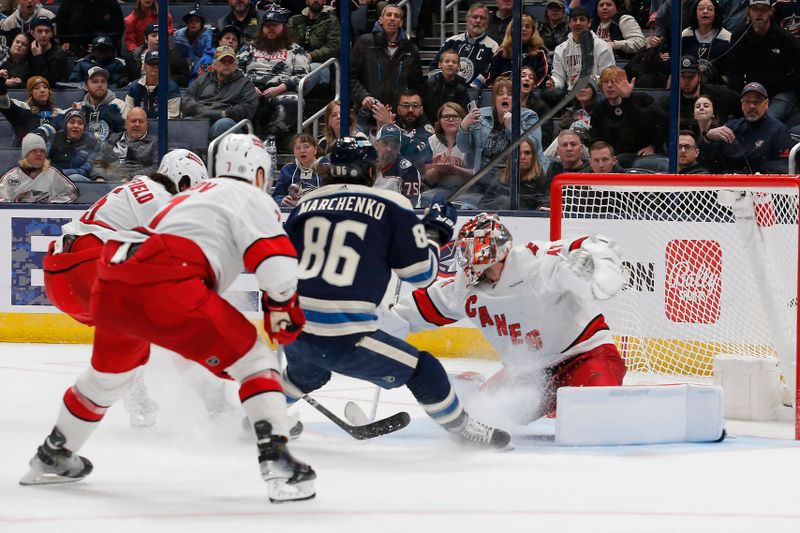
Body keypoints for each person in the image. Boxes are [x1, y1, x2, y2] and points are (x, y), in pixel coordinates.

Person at [20, 132, 317, 502]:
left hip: (114, 280)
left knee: (107, 379)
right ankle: (280, 463)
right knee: (256, 358)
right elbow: (275, 263)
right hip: (165, 277)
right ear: (258, 173)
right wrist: (283, 305)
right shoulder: (251, 198)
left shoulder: (183, 200)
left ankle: (54, 453)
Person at [282, 137, 510, 449]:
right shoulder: (391, 206)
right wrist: (434, 233)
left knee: (307, 374)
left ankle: (255, 415)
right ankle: (465, 429)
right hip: (343, 336)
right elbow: (422, 274)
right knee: (425, 369)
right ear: (370, 170)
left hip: (291, 327)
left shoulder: (303, 207)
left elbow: (278, 266)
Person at [391, 212, 626, 425]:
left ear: (488, 249)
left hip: (584, 355)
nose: (464, 258)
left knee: (592, 422)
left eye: (468, 249)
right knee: (478, 419)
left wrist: (597, 269)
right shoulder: (465, 286)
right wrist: (384, 323)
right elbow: (422, 306)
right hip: (528, 374)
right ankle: (477, 386)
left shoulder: (536, 262)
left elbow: (595, 245)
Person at [40, 149, 208, 426]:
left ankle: (137, 398)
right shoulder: (161, 200)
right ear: (182, 179)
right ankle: (215, 401)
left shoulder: (139, 187)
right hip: (86, 265)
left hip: (60, 278)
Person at [457, 77, 548, 193]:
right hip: (483, 180)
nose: (505, 97)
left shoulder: (529, 116)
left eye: (510, 94)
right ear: (494, 99)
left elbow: (533, 147)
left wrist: (511, 128)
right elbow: (463, 148)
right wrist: (464, 127)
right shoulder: (481, 115)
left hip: (514, 181)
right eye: (500, 94)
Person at [237, 6, 309, 141]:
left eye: (275, 25)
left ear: (283, 27)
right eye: (268, 25)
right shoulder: (249, 47)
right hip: (250, 89)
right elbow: (236, 71)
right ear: (262, 28)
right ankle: (245, 136)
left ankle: (270, 137)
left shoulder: (295, 49)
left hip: (281, 90)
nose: (271, 28)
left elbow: (303, 77)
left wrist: (279, 88)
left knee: (295, 101)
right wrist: (249, 87)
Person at [350, 3, 423, 129]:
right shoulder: (365, 42)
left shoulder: (410, 48)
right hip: (367, 111)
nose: (392, 18)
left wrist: (406, 106)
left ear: (401, 22)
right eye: (389, 15)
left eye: (397, 16)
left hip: (397, 115)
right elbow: (350, 75)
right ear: (381, 20)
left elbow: (416, 84)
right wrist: (363, 96)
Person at [727, 0, 800, 123]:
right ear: (748, 12)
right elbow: (734, 71)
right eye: (755, 9)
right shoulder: (739, 37)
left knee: (766, 121)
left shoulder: (786, 39)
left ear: (770, 12)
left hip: (780, 92)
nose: (759, 14)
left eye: (763, 10)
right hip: (751, 91)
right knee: (737, 118)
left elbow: (796, 72)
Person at [700, 82, 792, 173]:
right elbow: (707, 160)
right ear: (742, 104)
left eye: (757, 101)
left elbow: (782, 167)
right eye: (747, 101)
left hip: (761, 184)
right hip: (727, 183)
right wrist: (708, 138)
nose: (752, 106)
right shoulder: (730, 127)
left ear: (766, 104)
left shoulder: (779, 131)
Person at [590, 65, 667, 166]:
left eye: (614, 82)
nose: (609, 85)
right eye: (606, 82)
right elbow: (596, 139)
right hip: (611, 160)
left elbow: (653, 127)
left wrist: (653, 147)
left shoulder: (642, 100)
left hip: (642, 155)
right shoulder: (598, 109)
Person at [181, 46, 258, 140]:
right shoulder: (202, 80)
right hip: (202, 118)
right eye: (222, 61)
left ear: (235, 65)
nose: (226, 64)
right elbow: (186, 98)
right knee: (187, 123)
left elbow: (247, 108)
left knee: (223, 125)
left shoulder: (245, 83)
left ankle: (210, 153)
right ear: (215, 64)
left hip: (227, 121)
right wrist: (198, 109)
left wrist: (224, 113)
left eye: (230, 61)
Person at [545, 7, 615, 101]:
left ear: (589, 23)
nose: (578, 23)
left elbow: (608, 76)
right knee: (547, 94)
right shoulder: (560, 49)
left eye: (582, 19)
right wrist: (554, 82)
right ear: (569, 24)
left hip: (596, 94)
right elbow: (559, 76)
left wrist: (590, 80)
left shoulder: (603, 46)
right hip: (571, 95)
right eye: (574, 20)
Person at [428, 3, 498, 90]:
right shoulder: (451, 41)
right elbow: (433, 68)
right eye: (474, 17)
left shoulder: (493, 46)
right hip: (445, 92)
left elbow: (492, 73)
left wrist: (469, 90)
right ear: (467, 20)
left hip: (474, 96)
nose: (478, 20)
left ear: (487, 23)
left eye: (482, 18)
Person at [0, 133, 77, 203]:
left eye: (42, 151)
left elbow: (71, 193)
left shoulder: (53, 173)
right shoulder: (11, 175)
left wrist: (54, 204)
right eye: (34, 150)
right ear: (26, 154)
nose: (39, 154)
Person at [90, 107, 158, 183]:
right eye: (133, 121)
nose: (137, 124)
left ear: (146, 125)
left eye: (141, 121)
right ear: (126, 124)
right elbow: (99, 162)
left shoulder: (155, 143)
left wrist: (130, 178)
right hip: (105, 184)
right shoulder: (113, 138)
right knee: (76, 178)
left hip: (133, 185)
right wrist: (99, 177)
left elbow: (156, 168)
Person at [478, 137, 548, 211]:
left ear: (533, 157)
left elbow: (544, 207)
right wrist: (501, 202)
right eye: (518, 153)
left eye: (527, 153)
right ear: (511, 157)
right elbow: (481, 206)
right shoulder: (501, 177)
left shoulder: (541, 180)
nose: (523, 157)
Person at [423, 102, 472, 202]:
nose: (450, 120)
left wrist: (454, 169)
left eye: (455, 116)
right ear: (439, 120)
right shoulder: (432, 141)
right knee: (425, 198)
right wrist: (438, 169)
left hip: (467, 190)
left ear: (463, 119)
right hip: (439, 188)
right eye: (446, 116)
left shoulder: (472, 140)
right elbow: (428, 178)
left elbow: (479, 174)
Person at [287, 0, 340, 88]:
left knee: (309, 71)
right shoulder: (294, 20)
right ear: (306, 1)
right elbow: (287, 43)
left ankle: (294, 96)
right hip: (294, 60)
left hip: (320, 62)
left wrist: (311, 56)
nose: (316, 0)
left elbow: (333, 47)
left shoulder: (331, 20)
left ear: (324, 1)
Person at [486, 14, 548, 88]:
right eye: (520, 26)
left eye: (527, 27)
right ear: (512, 30)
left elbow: (543, 78)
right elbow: (490, 81)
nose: (523, 29)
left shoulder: (540, 52)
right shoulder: (501, 53)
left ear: (533, 31)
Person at [0, 73, 63, 146]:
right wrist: (1, 82)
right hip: (23, 153)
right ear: (31, 93)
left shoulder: (57, 113)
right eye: (37, 88)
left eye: (45, 87)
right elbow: (4, 103)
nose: (42, 90)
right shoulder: (22, 108)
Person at [372, 123, 423, 207]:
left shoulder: (408, 170)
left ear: (399, 147)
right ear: (377, 144)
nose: (389, 149)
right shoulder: (365, 166)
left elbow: (410, 207)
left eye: (394, 145)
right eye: (385, 143)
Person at [679, 0, 732, 81]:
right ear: (695, 13)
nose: (705, 11)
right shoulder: (686, 34)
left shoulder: (726, 37)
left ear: (715, 13)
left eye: (710, 9)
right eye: (701, 9)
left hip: (716, 84)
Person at [76, 66, 130, 143]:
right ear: (86, 86)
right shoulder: (80, 108)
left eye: (103, 81)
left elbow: (127, 138)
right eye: (95, 81)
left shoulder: (120, 106)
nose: (100, 85)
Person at [55, 0, 125, 58]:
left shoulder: (111, 3)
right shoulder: (69, 3)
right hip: (76, 44)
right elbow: (61, 23)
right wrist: (64, 41)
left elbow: (118, 29)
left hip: (104, 45)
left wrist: (102, 43)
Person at [47, 109, 100, 182]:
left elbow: (85, 170)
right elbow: (44, 160)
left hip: (78, 181)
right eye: (72, 122)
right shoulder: (54, 138)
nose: (76, 126)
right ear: (65, 125)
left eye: (80, 123)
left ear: (84, 127)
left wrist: (59, 173)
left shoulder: (93, 143)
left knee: (74, 177)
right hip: (51, 177)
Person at [272, 133, 325, 206]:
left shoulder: (325, 168)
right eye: (298, 148)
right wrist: (281, 200)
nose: (302, 151)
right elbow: (276, 196)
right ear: (294, 151)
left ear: (315, 150)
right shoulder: (287, 170)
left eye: (306, 147)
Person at [126, 50, 181, 119]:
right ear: (145, 66)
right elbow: (128, 113)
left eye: (158, 64)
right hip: (139, 126)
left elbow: (172, 116)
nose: (155, 66)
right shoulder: (134, 87)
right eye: (151, 63)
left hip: (164, 128)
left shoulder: (171, 88)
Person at [422, 48, 470, 125]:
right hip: (432, 124)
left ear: (459, 67)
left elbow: (463, 111)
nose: (450, 64)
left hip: (454, 124)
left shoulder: (462, 86)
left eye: (454, 62)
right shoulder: (430, 83)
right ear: (440, 64)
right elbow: (424, 109)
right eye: (447, 61)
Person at [173, 8, 214, 78]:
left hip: (200, 68)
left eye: (197, 21)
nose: (193, 23)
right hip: (183, 68)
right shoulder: (178, 35)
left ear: (202, 24)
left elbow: (207, 54)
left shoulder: (207, 35)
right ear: (187, 24)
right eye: (191, 21)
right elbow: (176, 55)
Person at [28, 16, 69, 85]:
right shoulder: (28, 51)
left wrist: (38, 57)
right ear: (32, 33)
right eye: (39, 31)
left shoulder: (59, 54)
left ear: (51, 33)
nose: (43, 35)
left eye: (47, 31)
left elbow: (50, 82)